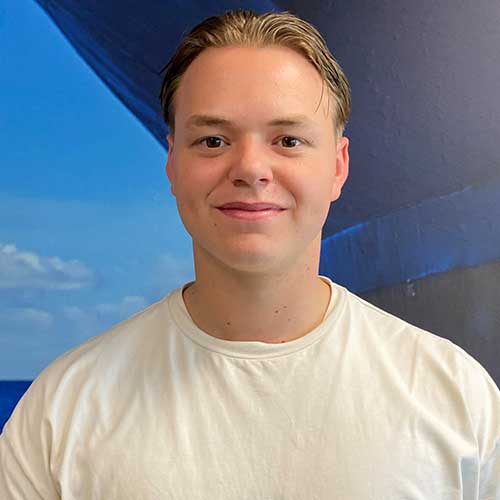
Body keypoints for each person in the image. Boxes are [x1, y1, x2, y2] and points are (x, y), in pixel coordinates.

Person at [1, 8, 499, 499]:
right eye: (213, 140)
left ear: (338, 167)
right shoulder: (61, 413)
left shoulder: (457, 398)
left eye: (288, 140)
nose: (251, 168)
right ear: (172, 164)